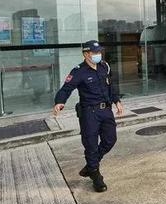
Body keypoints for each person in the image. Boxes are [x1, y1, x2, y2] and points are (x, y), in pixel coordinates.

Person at [53, 40, 124, 192]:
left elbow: (111, 86)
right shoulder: (78, 71)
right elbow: (66, 88)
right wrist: (59, 102)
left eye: (99, 52)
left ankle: (90, 166)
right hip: (89, 113)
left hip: (106, 110)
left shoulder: (104, 66)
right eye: (95, 52)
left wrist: (117, 101)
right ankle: (96, 176)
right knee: (90, 145)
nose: (98, 55)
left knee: (110, 139)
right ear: (86, 54)